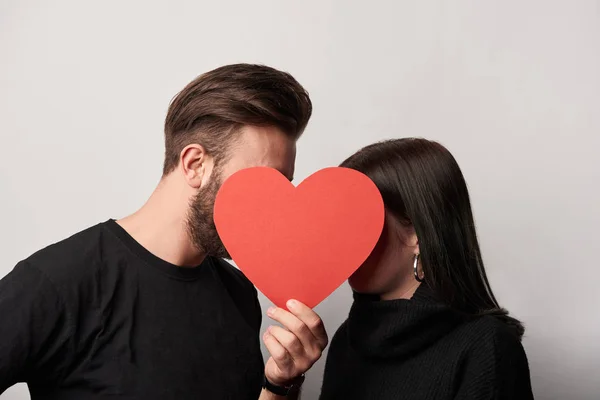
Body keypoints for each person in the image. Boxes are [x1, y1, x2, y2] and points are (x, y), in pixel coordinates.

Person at [0, 64, 327, 399]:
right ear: (195, 164)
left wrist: (277, 383)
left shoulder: (239, 292)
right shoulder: (59, 282)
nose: (274, 209)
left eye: (282, 187)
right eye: (262, 183)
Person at [319, 138, 534, 400]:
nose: (340, 243)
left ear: (417, 233)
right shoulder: (347, 339)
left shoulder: (486, 348)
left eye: (358, 220)